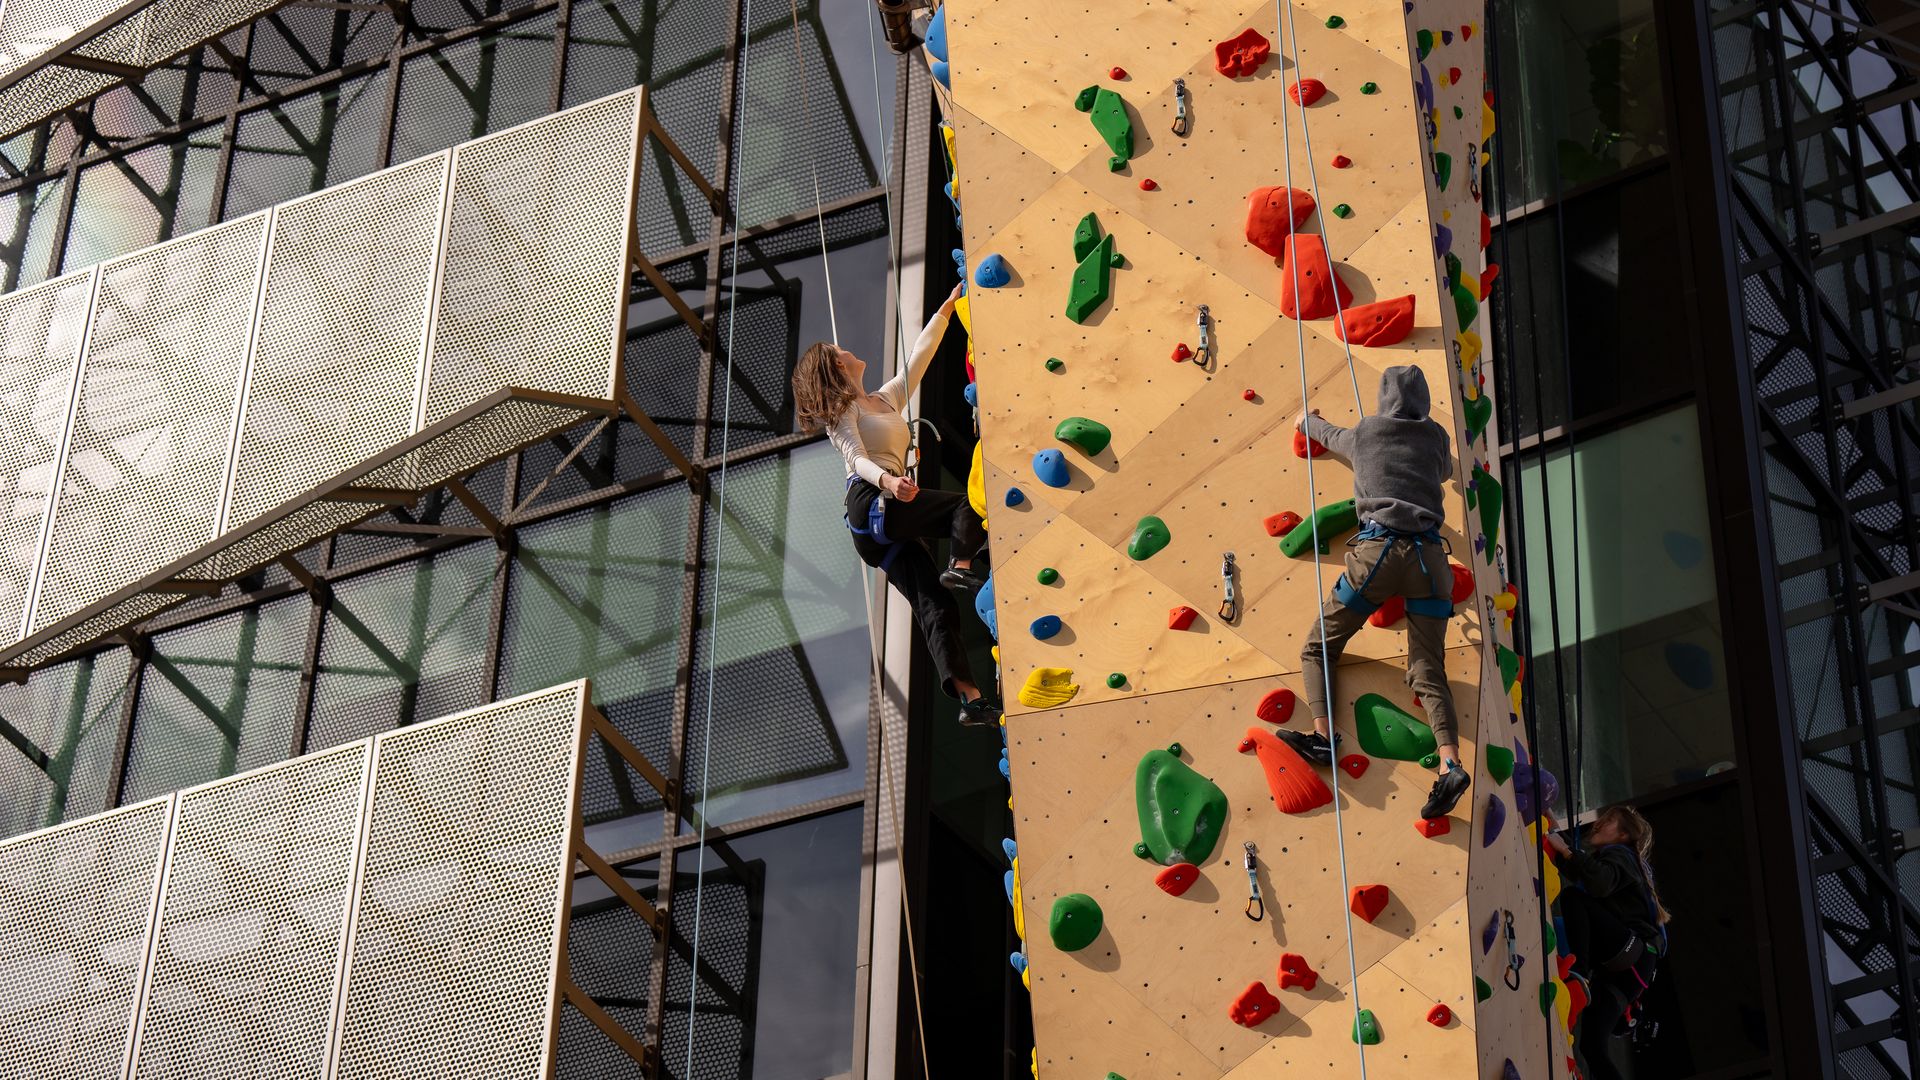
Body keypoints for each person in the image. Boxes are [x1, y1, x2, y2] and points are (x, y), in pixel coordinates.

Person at [793, 284, 1002, 729]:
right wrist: (890, 480)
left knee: (935, 603)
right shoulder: (842, 410)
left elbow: (918, 361)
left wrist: (947, 310)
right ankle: (962, 563)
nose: (849, 350)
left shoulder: (883, 400)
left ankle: (970, 698)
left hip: (880, 524)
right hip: (871, 502)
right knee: (965, 506)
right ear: (837, 365)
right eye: (841, 349)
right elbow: (855, 458)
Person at [1286, 365, 1468, 821]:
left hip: (1379, 556)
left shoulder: (1367, 432)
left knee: (1317, 647)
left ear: (1384, 396)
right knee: (1428, 668)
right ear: (1423, 401)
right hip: (1431, 562)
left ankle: (1324, 738)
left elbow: (1328, 434)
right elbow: (1445, 468)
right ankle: (1450, 763)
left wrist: (1306, 420)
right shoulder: (1435, 437)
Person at [1546, 804, 1671, 1080]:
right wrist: (1554, 826)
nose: (1599, 824)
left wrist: (1566, 850)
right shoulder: (1624, 863)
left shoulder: (1621, 854)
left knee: (1572, 899)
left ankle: (1578, 973)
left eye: (1609, 820)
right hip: (1630, 976)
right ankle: (1581, 978)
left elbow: (1597, 883)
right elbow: (1583, 873)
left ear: (1624, 834)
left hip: (1629, 953)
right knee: (1592, 1048)